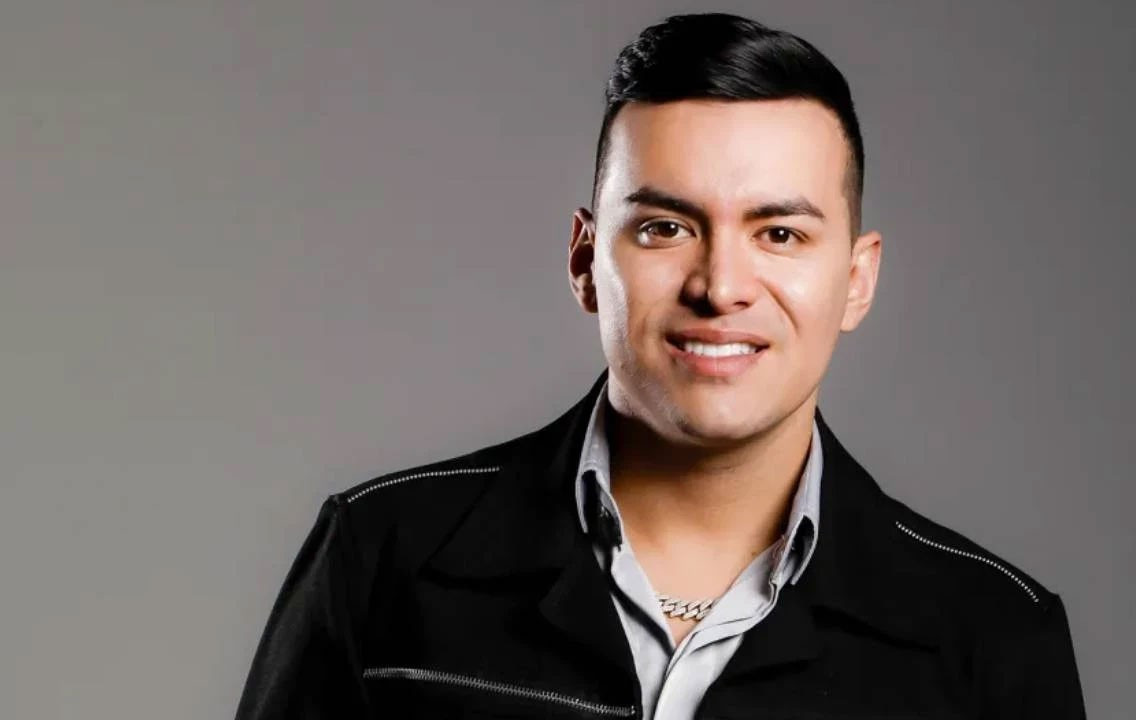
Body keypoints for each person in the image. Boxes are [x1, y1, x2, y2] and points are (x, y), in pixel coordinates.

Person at [234, 12, 1087, 720]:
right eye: (665, 228)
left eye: (780, 233)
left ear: (856, 280)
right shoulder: (380, 559)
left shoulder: (991, 635)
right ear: (585, 261)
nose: (720, 286)